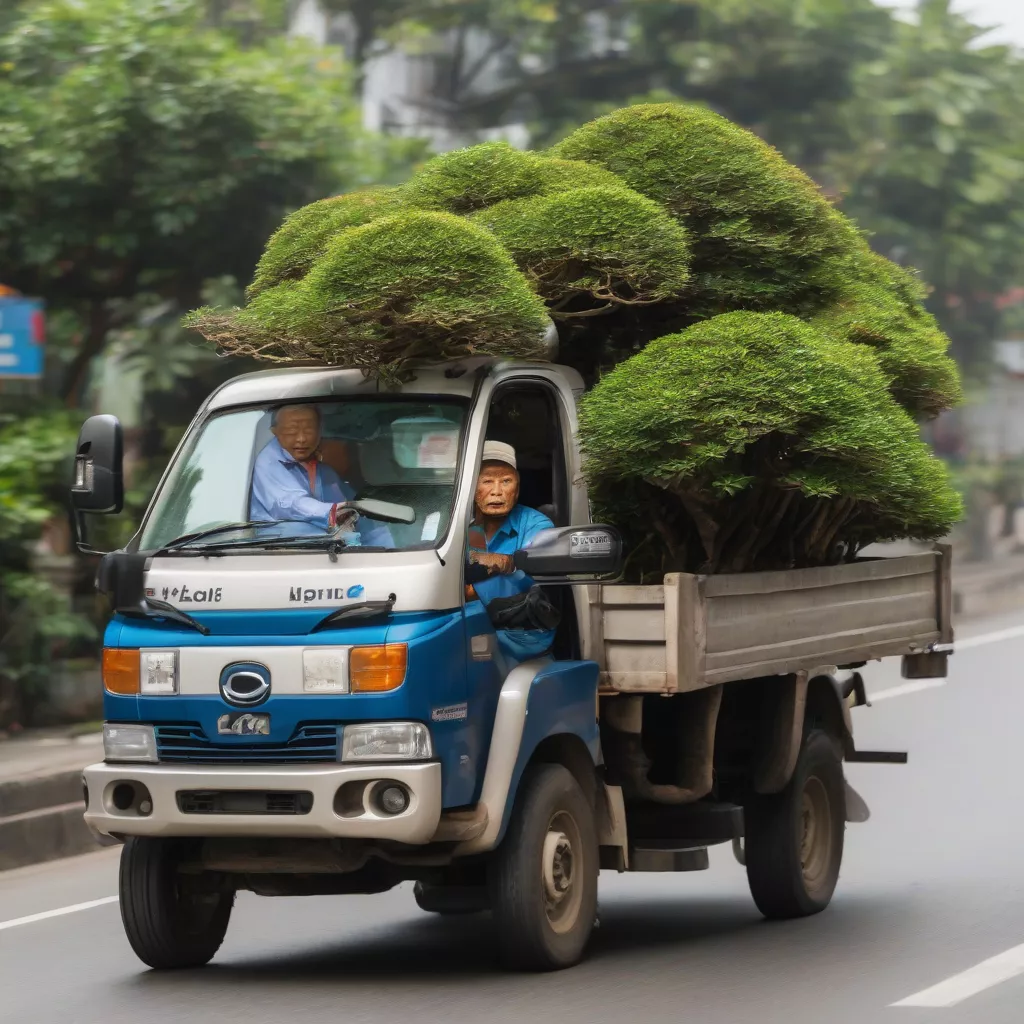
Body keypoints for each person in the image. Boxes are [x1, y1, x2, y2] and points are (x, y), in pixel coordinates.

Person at [250, 404, 393, 547]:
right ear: (275, 432)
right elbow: (289, 504)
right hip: (279, 556)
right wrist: (331, 512)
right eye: (292, 431)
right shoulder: (268, 463)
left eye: (309, 430)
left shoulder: (325, 473)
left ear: (319, 432)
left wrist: (386, 547)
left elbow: (355, 511)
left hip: (331, 557)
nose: (301, 438)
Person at [466, 440, 557, 666]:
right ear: (470, 486)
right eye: (487, 481)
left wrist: (470, 589)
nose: (497, 491)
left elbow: (526, 570)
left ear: (517, 488)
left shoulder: (537, 525)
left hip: (519, 639)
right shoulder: (460, 526)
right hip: (465, 632)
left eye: (506, 481)